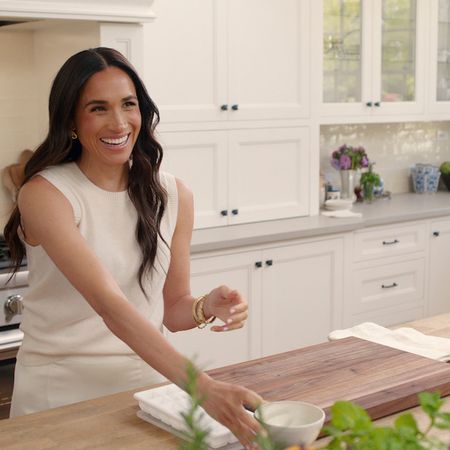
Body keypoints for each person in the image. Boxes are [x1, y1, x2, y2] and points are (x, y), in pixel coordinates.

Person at [4, 47, 262, 448]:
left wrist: (206, 306)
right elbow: (111, 308)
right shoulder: (46, 195)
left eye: (129, 104)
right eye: (98, 108)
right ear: (71, 120)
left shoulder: (173, 194)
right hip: (59, 394)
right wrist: (204, 388)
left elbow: (172, 310)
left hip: (146, 391)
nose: (119, 122)